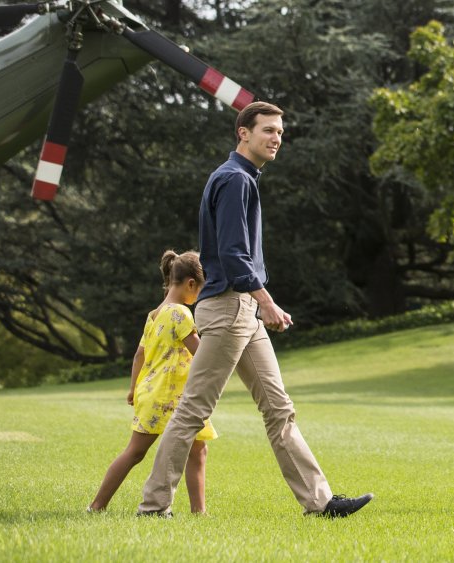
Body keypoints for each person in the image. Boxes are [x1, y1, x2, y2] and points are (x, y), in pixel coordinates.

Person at [137, 101, 372, 519]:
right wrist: (266, 301)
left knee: (279, 409)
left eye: (280, 131)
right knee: (193, 409)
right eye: (267, 130)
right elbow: (231, 253)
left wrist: (257, 303)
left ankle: (320, 503)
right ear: (243, 133)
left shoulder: (241, 178)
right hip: (230, 307)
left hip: (241, 308)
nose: (276, 137)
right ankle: (154, 507)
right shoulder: (234, 179)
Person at [89, 250, 217, 514]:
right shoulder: (181, 314)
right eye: (201, 289)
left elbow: (139, 355)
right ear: (190, 284)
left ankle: (98, 506)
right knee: (146, 452)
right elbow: (200, 352)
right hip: (173, 397)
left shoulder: (154, 314)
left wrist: (133, 389)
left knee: (191, 450)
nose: (200, 296)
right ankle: (97, 505)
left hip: (154, 393)